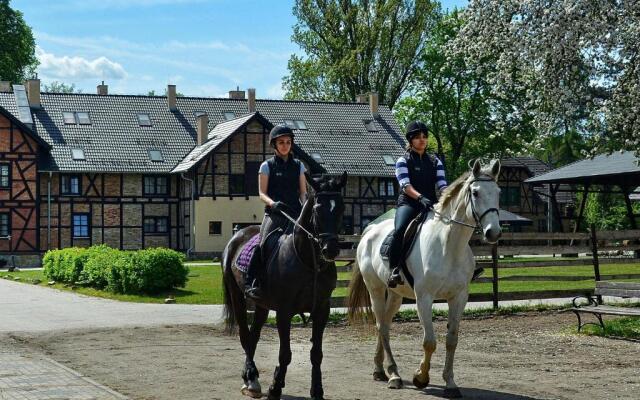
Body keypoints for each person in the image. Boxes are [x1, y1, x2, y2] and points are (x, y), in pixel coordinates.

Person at [244, 124, 308, 299]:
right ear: (274, 145)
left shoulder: (299, 166)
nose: (285, 145)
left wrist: (304, 207)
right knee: (262, 244)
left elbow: (303, 192)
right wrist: (273, 204)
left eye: (288, 142)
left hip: (295, 213)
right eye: (281, 142)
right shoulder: (267, 166)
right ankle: (251, 282)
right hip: (274, 214)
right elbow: (261, 193)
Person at [387, 121, 448, 287]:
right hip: (409, 203)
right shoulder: (402, 160)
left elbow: (443, 186)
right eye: (418, 137)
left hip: (431, 204)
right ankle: (394, 270)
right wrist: (420, 197)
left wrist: (450, 199)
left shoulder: (436, 161)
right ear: (410, 140)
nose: (422, 140)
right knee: (399, 230)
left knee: (454, 225)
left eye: (424, 137)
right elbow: (405, 185)